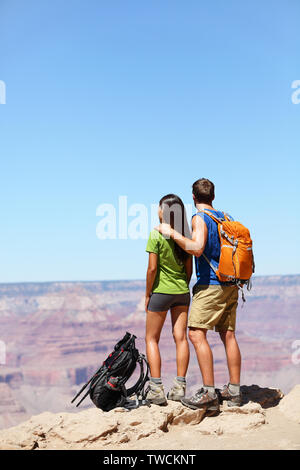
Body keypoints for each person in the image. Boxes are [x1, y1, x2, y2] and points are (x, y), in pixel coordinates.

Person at [156, 179, 242, 415]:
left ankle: (208, 394)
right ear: (213, 196)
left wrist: (171, 232)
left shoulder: (199, 218)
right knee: (228, 335)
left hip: (210, 285)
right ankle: (234, 391)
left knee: (195, 333)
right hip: (231, 284)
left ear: (193, 197)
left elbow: (197, 248)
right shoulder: (226, 216)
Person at [145, 194, 193, 405]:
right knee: (180, 337)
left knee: (151, 339)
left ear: (163, 211)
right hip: (182, 291)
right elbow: (189, 269)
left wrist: (148, 293)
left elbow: (152, 269)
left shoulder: (155, 235)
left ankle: (156, 389)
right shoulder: (186, 236)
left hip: (161, 293)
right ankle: (179, 387)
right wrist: (182, 285)